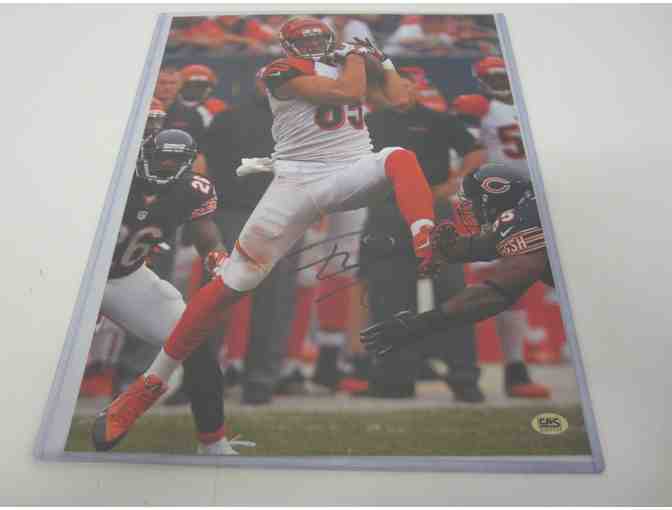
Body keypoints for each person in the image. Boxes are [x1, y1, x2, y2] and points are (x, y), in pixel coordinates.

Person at [93, 16, 441, 447]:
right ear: (287, 46)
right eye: (304, 40)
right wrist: (356, 57)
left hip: (349, 169)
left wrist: (383, 62)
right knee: (231, 283)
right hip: (298, 181)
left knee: (399, 157)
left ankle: (426, 237)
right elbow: (346, 93)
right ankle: (146, 388)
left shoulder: (345, 64)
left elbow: (398, 98)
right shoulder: (280, 70)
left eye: (318, 39)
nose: (313, 46)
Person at [90, 128, 253, 455]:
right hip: (80, 277)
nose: (165, 165)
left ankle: (213, 443)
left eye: (174, 161)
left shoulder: (192, 190)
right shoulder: (114, 175)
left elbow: (207, 237)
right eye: (161, 158)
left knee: (196, 344)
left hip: (126, 278)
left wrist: (219, 260)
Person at [360, 66, 487, 400]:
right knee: (388, 296)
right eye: (394, 86)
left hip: (435, 209)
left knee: (452, 293)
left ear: (416, 88)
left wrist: (455, 182)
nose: (400, 92)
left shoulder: (439, 120)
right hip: (387, 213)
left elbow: (476, 151)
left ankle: (464, 377)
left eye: (406, 85)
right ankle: (393, 380)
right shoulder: (370, 123)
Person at [361, 163, 555, 372]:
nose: (473, 212)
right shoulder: (532, 209)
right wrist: (443, 251)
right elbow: (485, 245)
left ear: (498, 193)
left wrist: (422, 324)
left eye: (476, 202)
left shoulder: (525, 217)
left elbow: (496, 293)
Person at [452, 56, 552, 397]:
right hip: (500, 203)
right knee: (504, 284)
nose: (499, 82)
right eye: (491, 77)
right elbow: (467, 152)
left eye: (502, 75)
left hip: (539, 200)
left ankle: (516, 367)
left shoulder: (534, 104)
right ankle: (497, 369)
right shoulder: (479, 107)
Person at [198, 68, 297, 405]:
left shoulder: (300, 120)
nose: (271, 88)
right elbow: (204, 164)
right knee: (216, 297)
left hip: (283, 217)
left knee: (274, 302)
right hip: (232, 213)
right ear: (257, 82)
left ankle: (261, 381)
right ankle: (202, 377)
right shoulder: (228, 118)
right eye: (266, 81)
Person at [178, 64, 229, 128]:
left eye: (204, 85)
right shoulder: (171, 104)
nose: (197, 89)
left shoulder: (218, 107)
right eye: (193, 85)